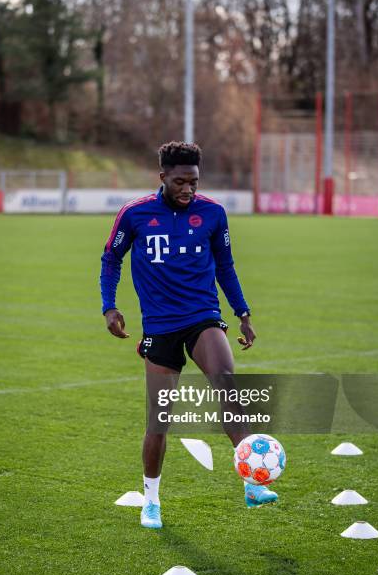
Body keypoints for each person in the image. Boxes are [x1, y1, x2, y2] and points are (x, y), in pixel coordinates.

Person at [100, 141, 278, 529]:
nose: (188, 189)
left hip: (203, 316)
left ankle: (252, 481)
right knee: (159, 421)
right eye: (180, 181)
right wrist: (109, 305)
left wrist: (242, 312)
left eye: (194, 182)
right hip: (160, 326)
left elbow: (226, 266)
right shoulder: (134, 215)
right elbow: (111, 258)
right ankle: (151, 500)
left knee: (227, 384)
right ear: (162, 177)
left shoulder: (213, 213)